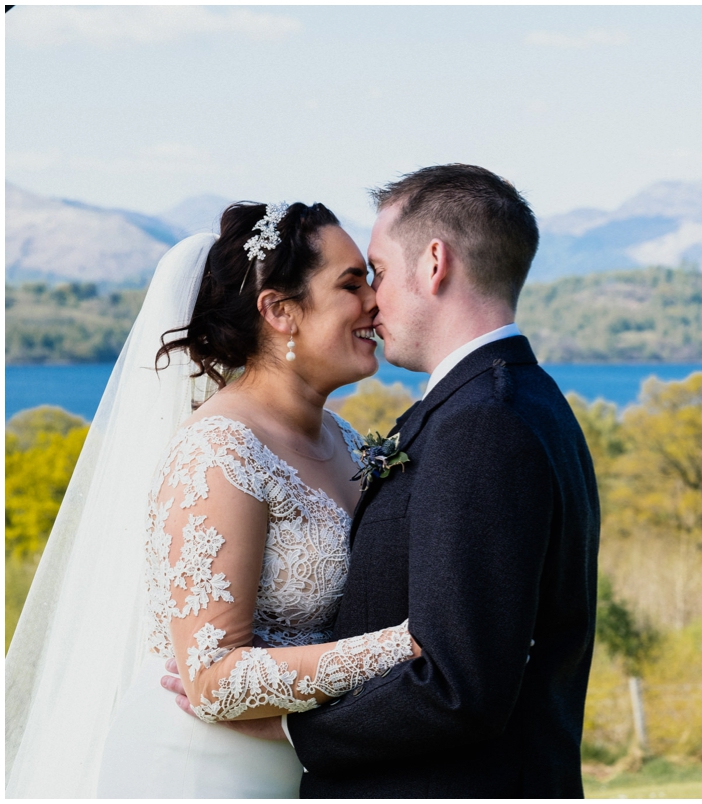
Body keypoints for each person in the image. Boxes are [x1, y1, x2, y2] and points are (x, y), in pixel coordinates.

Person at [194, 164, 604, 797]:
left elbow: (457, 683)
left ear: (434, 263)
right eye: (355, 281)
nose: (371, 300)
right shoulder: (512, 401)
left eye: (376, 274)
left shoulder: (482, 422)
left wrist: (297, 733)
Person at [5, 201, 420, 797]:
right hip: (205, 767)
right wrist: (405, 644)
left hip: (307, 759)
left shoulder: (348, 442)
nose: (376, 302)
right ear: (280, 310)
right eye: (352, 284)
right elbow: (214, 681)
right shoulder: (220, 451)